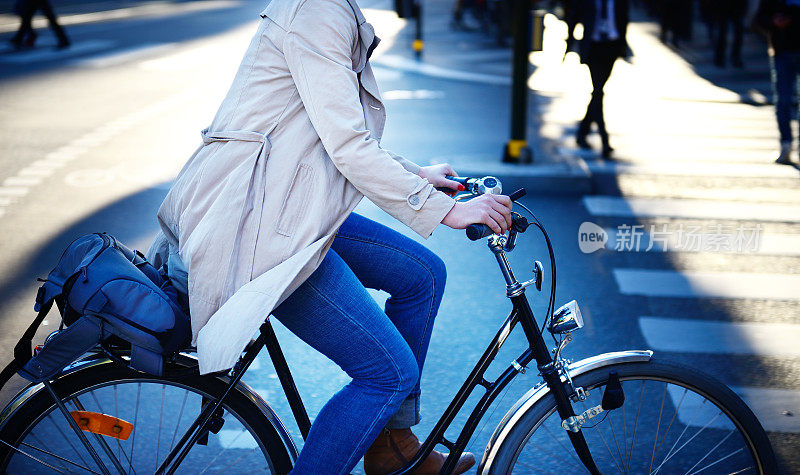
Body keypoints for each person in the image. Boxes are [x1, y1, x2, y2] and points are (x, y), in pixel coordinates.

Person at [146, 0, 513, 473]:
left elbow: (328, 133)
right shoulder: (318, 10)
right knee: (388, 373)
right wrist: (445, 210)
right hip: (262, 230)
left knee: (421, 274)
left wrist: (417, 175)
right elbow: (347, 145)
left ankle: (390, 446)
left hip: (283, 206)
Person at [571, 0, 629, 158]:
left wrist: (623, 46)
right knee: (598, 92)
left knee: (598, 92)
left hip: (612, 46)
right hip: (593, 47)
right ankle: (604, 139)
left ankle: (582, 133)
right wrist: (569, 46)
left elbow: (623, 19)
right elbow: (574, 17)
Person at [755, 0, 800, 165]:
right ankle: (786, 143)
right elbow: (760, 18)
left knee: (784, 100)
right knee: (783, 100)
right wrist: (774, 22)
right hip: (782, 50)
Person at [713, 0, 748, 68]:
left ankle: (734, 57)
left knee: (737, 31)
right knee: (722, 32)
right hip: (723, 6)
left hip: (736, 6)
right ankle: (720, 57)